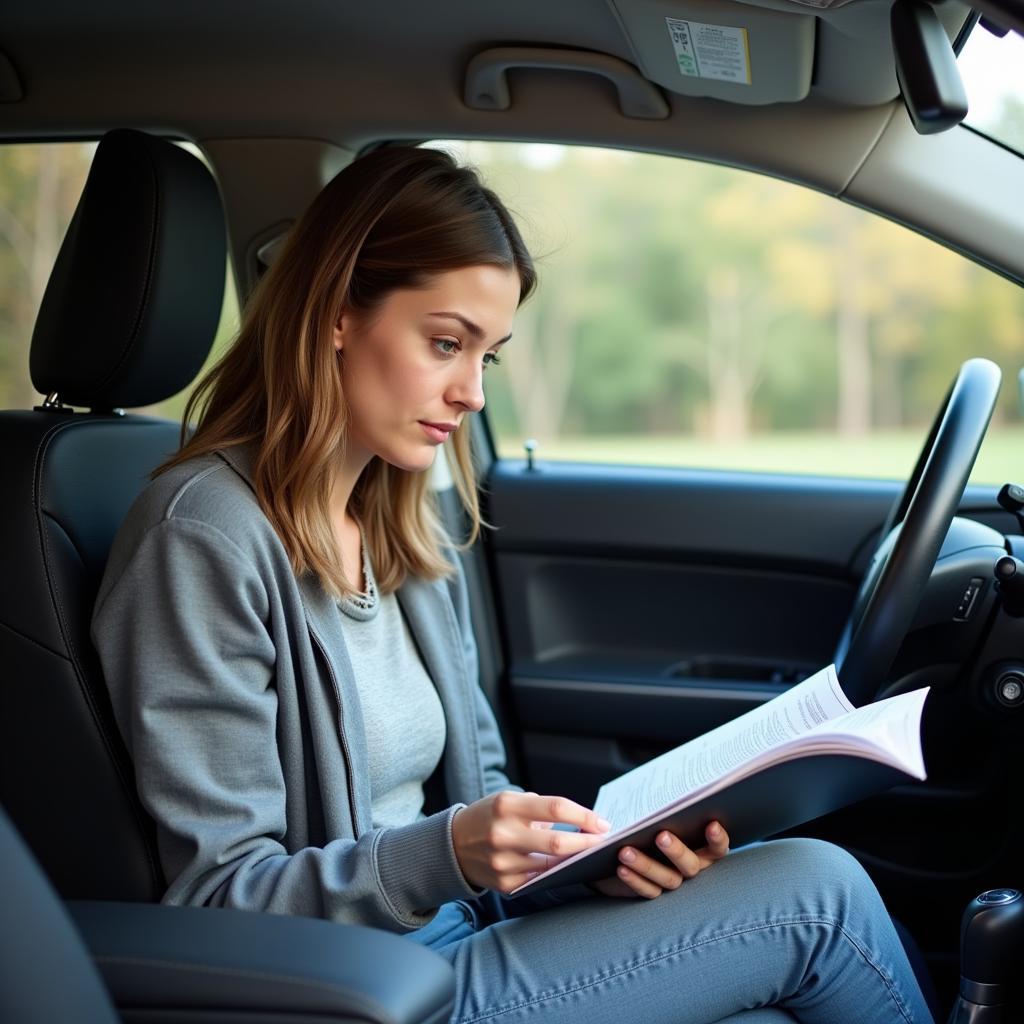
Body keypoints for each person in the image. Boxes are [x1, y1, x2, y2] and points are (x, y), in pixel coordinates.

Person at [91, 145, 935, 1024]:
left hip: (463, 938)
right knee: (816, 896)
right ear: (337, 313)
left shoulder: (398, 529)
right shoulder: (200, 537)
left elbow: (476, 801)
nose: (471, 394)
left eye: (486, 356)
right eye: (446, 343)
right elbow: (219, 897)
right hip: (361, 990)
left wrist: (592, 866)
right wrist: (447, 853)